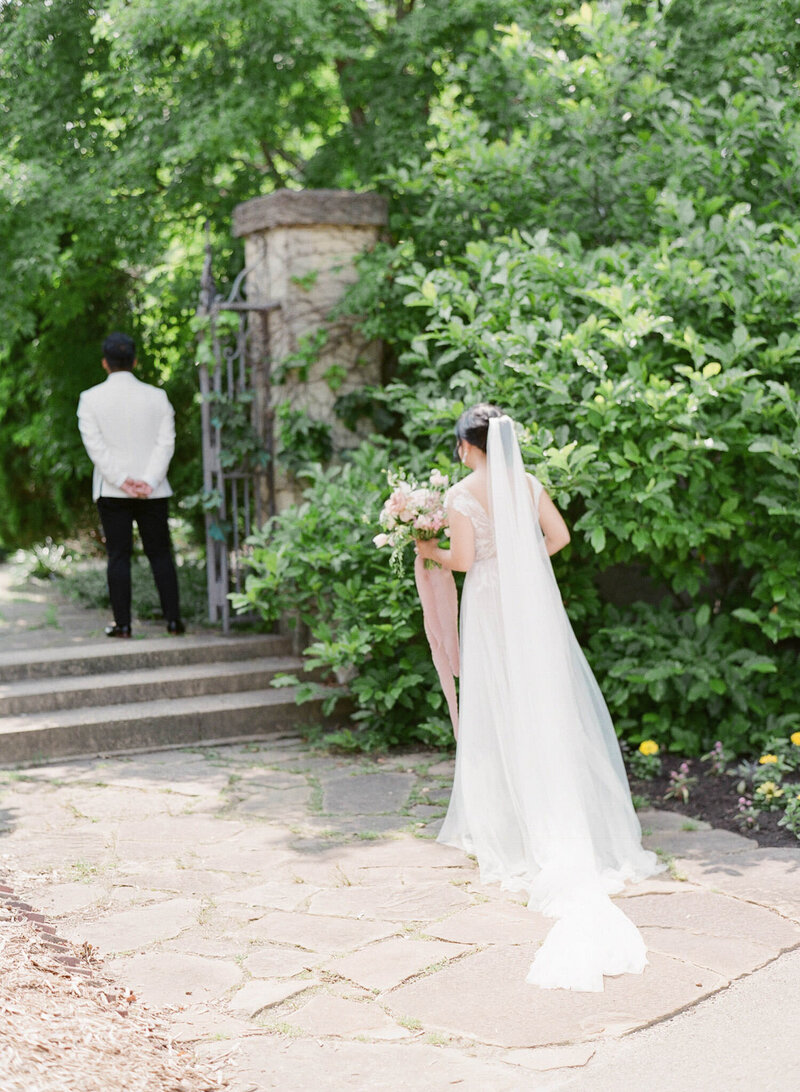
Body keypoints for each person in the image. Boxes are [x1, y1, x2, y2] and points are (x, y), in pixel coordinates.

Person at [416, 404, 663, 992]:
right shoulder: (527, 482)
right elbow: (560, 536)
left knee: (500, 704)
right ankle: (563, 814)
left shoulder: (460, 493)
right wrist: (523, 562)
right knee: (545, 702)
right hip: (529, 601)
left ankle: (511, 824)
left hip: (490, 605)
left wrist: (428, 551)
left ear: (465, 446)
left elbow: (465, 560)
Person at [77, 332, 184, 638]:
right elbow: (166, 443)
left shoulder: (90, 399)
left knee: (119, 555)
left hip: (112, 491)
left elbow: (95, 448)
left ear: (104, 363)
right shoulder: (157, 397)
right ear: (135, 361)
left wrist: (123, 481)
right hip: (154, 490)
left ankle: (123, 625)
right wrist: (148, 481)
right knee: (161, 553)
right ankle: (174, 621)